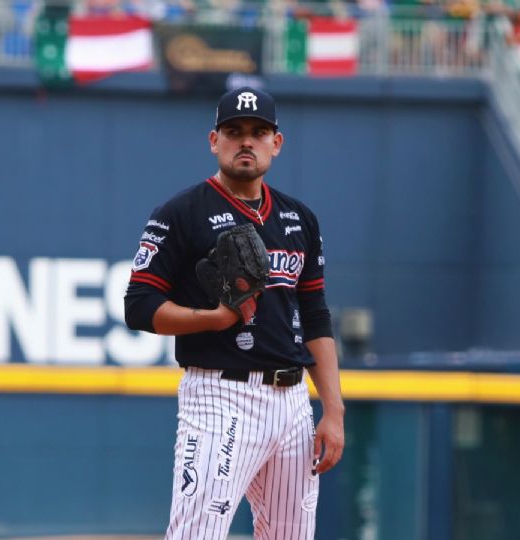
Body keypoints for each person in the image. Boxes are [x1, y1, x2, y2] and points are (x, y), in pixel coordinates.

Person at [124, 86, 345, 539]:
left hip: (293, 402)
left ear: (276, 144)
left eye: (259, 132)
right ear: (214, 140)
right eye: (235, 131)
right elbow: (139, 306)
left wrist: (334, 410)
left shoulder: (299, 219)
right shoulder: (181, 213)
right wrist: (214, 318)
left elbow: (315, 314)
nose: (247, 141)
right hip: (220, 396)